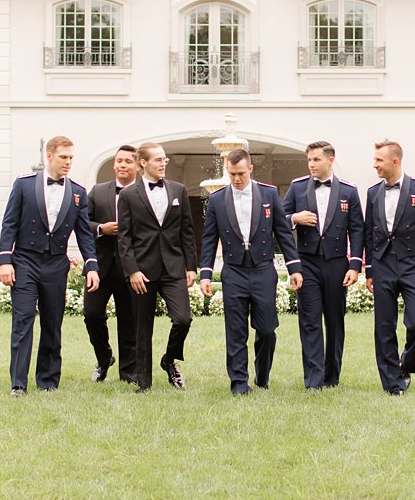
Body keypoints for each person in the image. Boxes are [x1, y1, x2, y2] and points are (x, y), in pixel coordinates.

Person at [0, 135, 100, 395]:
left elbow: (84, 233)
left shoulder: (78, 192)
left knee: (53, 323)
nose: (68, 162)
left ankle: (48, 382)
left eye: (71, 158)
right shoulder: (23, 185)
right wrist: (4, 261)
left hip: (56, 264)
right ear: (49, 156)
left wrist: (92, 265)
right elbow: (9, 224)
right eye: (64, 157)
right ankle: (18, 383)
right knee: (23, 320)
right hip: (25, 261)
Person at [199, 149, 302, 395]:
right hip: (233, 272)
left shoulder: (268, 194)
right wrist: (205, 273)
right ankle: (238, 384)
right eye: (232, 174)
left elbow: (284, 233)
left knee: (266, 329)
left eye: (241, 174)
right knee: (235, 331)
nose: (236, 179)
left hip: (263, 271)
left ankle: (262, 375)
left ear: (250, 169)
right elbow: (209, 238)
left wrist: (294, 268)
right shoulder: (217, 200)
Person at [282, 141, 364, 389]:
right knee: (309, 321)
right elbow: (277, 220)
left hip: (337, 264)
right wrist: (294, 218)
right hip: (306, 262)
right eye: (309, 160)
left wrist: (355, 265)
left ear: (330, 159)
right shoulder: (297, 188)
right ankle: (314, 380)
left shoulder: (349, 191)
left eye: (316, 159)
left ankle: (332, 377)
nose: (311, 164)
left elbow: (358, 229)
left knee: (335, 320)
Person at [363, 140, 415, 396]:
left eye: (379, 160)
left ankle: (405, 361)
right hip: (383, 265)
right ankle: (393, 384)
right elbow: (368, 234)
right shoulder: (372, 192)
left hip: (411, 265)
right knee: (384, 327)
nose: (374, 164)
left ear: (394, 162)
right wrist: (369, 270)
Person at [117, 143, 196, 392]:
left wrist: (191, 266)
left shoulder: (178, 190)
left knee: (183, 319)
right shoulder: (128, 195)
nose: (163, 163)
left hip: (173, 268)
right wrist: (132, 270)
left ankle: (169, 360)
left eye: (165, 160)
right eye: (158, 160)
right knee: (142, 329)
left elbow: (187, 231)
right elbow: (124, 238)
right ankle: (144, 384)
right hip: (142, 271)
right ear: (143, 163)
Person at [84, 143, 140, 383]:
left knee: (129, 321)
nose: (122, 165)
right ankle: (104, 357)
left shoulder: (143, 193)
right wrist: (100, 228)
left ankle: (129, 373)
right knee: (92, 315)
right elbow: (81, 223)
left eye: (128, 161)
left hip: (131, 269)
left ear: (138, 165)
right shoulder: (98, 191)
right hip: (101, 267)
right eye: (119, 161)